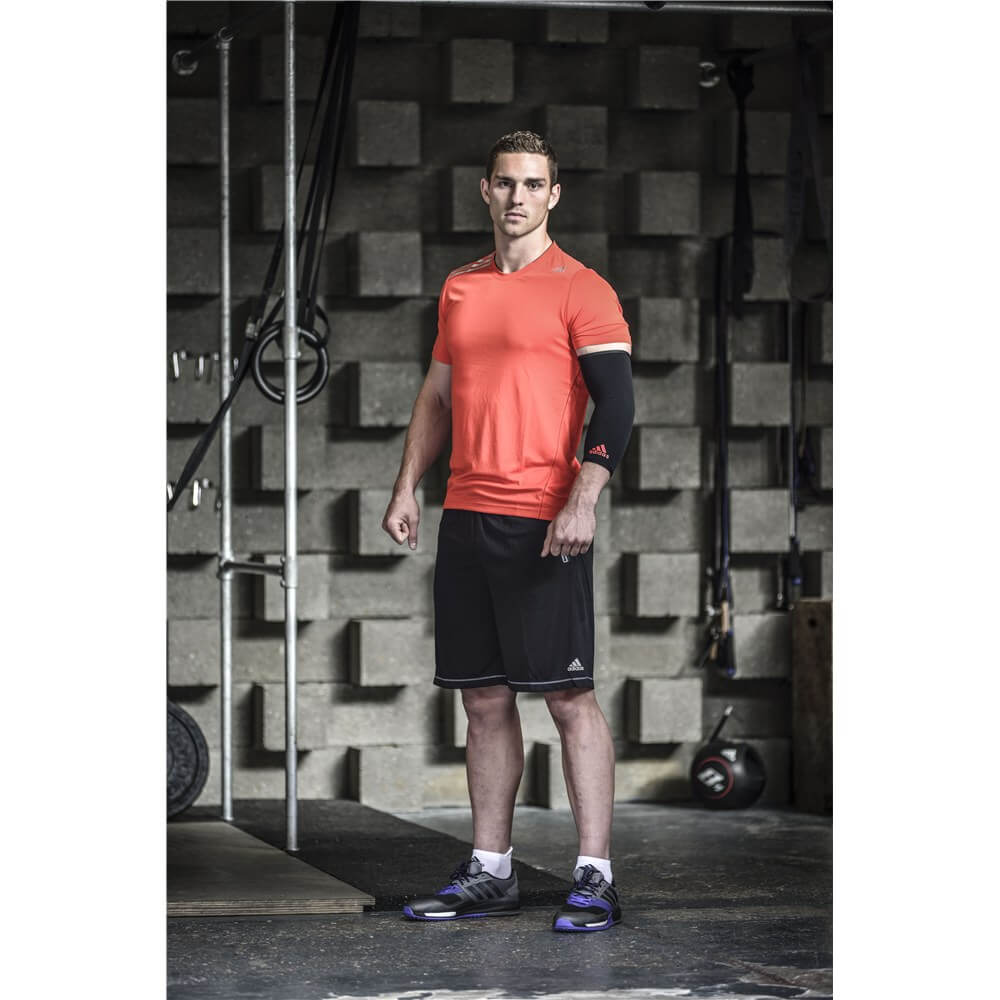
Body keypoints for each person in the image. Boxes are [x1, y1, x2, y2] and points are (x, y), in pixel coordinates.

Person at [381, 130, 634, 933]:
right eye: (505, 183)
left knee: (567, 696)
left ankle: (595, 875)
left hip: (544, 521)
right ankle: (491, 870)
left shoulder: (582, 289)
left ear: (553, 194)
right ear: (484, 191)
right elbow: (437, 395)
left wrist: (584, 497)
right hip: (466, 516)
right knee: (484, 699)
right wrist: (407, 486)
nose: (517, 196)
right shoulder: (461, 288)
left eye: (532, 184)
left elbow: (617, 405)